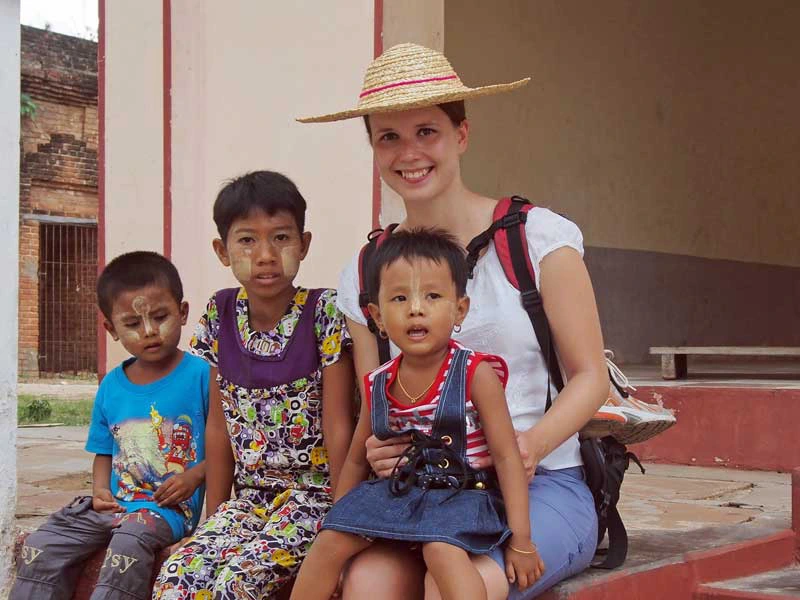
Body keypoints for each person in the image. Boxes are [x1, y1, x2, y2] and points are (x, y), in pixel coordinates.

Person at [298, 43, 609, 599]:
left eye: (427, 131)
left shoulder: (537, 240)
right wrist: (378, 451)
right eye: (388, 137)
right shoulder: (367, 271)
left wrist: (530, 445)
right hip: (426, 490)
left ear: (461, 135)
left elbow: (591, 377)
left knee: (452, 588)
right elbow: (377, 406)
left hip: (542, 487)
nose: (408, 153)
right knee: (366, 583)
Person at [292, 229, 544, 600]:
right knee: (329, 542)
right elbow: (356, 463)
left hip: (463, 493)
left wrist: (521, 540)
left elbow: (507, 457)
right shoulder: (379, 383)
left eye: (433, 295)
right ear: (377, 316)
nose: (415, 308)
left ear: (460, 309)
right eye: (399, 297)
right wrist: (340, 518)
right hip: (400, 492)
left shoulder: (475, 374)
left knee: (441, 549)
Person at [152, 170, 355, 599]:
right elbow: (218, 426)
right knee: (175, 579)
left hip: (312, 500)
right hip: (248, 501)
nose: (265, 254)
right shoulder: (219, 314)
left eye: (281, 238)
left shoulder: (323, 313)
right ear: (222, 251)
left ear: (304, 244)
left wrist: (341, 524)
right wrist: (213, 520)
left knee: (236, 583)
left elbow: (340, 424)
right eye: (247, 240)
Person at [11, 251, 209, 600]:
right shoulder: (111, 386)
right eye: (132, 324)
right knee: (42, 545)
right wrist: (101, 491)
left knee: (127, 546)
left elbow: (228, 444)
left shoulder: (202, 376)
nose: (149, 332)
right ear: (111, 329)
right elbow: (104, 450)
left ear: (183, 312)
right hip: (115, 507)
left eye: (160, 317)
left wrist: (194, 476)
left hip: (165, 511)